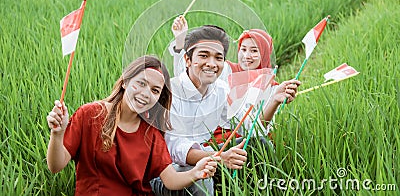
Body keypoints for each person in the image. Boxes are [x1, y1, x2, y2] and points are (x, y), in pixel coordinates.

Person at [46, 55, 219, 196]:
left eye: (155, 90)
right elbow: (55, 166)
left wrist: (195, 173)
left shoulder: (150, 132)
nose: (145, 94)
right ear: (125, 82)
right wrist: (57, 134)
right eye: (141, 83)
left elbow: (170, 179)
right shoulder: (90, 115)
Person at [169, 16, 300, 142]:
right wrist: (180, 42)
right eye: (243, 49)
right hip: (211, 137)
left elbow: (255, 127)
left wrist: (275, 100)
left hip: (239, 135)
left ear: (265, 53)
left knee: (263, 143)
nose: (247, 56)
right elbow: (187, 75)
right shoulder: (226, 70)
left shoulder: (271, 87)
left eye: (254, 51)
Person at [151, 26, 248, 196]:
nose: (211, 63)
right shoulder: (170, 92)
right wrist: (219, 157)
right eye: (204, 56)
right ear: (187, 60)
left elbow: (247, 124)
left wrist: (276, 100)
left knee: (256, 144)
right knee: (201, 177)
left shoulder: (221, 90)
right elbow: (175, 149)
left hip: (204, 156)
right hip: (164, 171)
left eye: (218, 58)